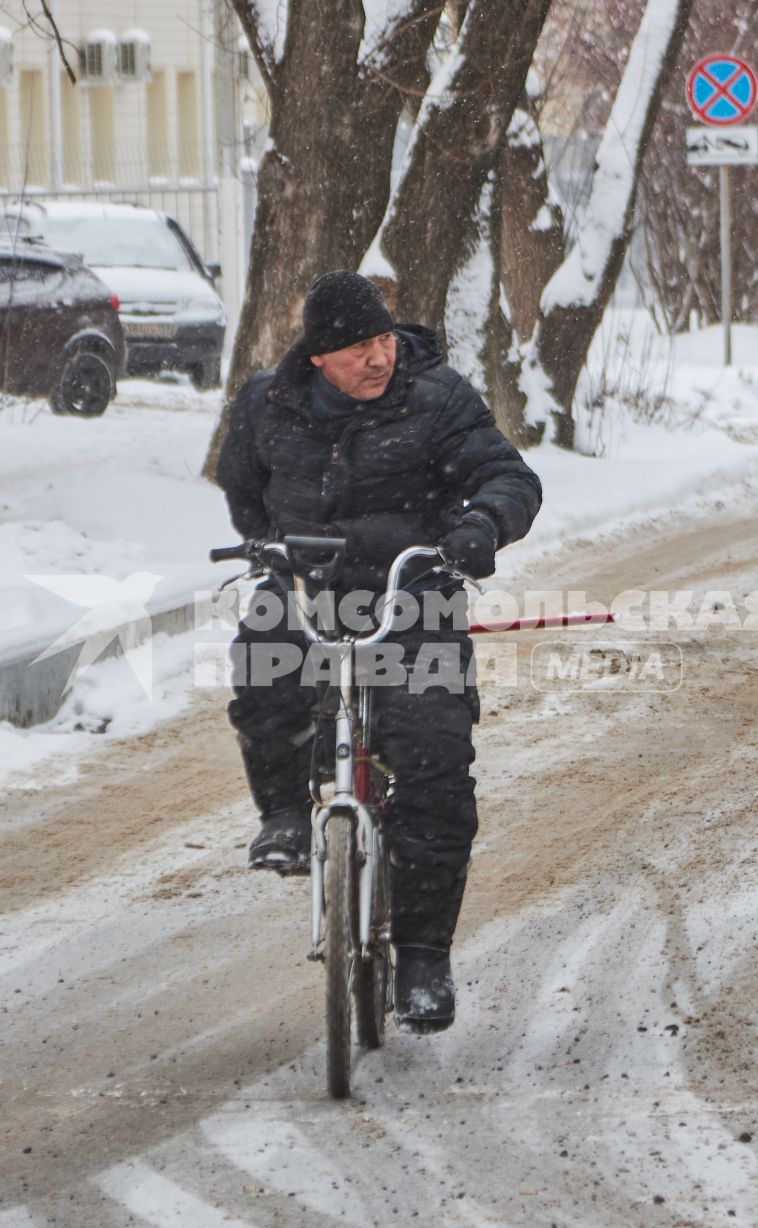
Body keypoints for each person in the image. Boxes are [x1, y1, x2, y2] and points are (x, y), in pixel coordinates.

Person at [216, 270, 541, 1033]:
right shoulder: (268, 405)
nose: (379, 357)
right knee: (265, 661)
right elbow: (243, 485)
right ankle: (285, 818)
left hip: (412, 593)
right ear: (320, 357)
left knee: (432, 759)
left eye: (385, 339)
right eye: (360, 347)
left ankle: (424, 957)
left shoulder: (437, 397)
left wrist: (478, 530)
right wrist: (272, 551)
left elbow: (508, 477)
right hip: (315, 585)